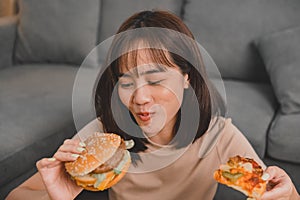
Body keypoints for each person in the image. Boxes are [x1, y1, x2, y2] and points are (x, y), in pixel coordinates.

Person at [7, 10, 299, 200]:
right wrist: (55, 194)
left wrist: (287, 194)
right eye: (126, 81)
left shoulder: (219, 137)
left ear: (186, 77)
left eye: (156, 80)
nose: (140, 98)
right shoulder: (104, 137)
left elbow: (273, 193)